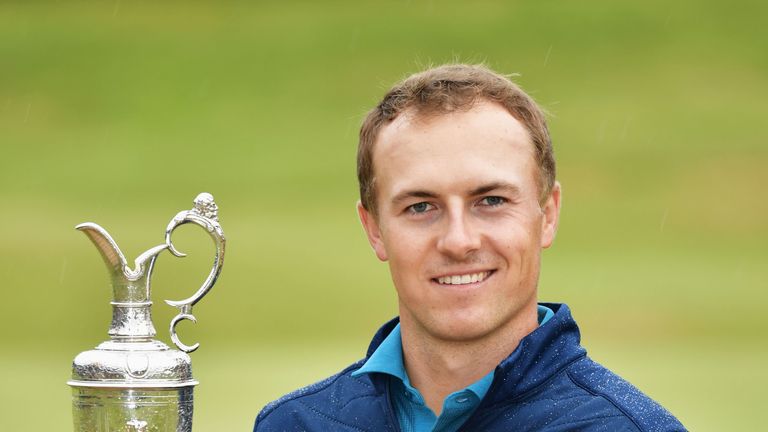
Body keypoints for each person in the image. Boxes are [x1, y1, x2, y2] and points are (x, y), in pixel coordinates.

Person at [254, 64, 686, 431]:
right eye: (421, 206)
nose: (459, 241)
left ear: (547, 214)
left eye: (491, 201)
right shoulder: (293, 424)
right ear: (374, 229)